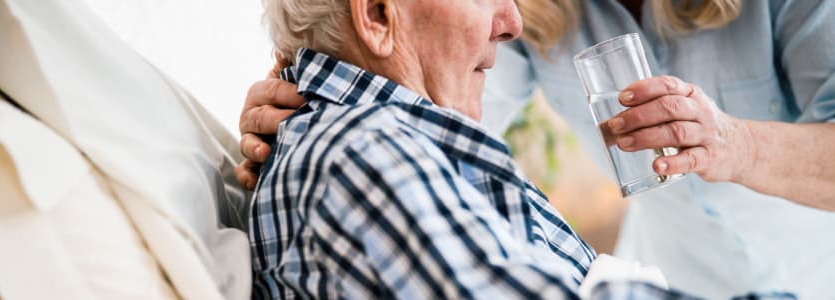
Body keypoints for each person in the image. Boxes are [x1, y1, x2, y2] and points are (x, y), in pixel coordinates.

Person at [239, 0, 835, 298]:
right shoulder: (366, 155)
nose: (511, 20)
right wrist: (309, 89)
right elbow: (429, 105)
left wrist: (732, 144)